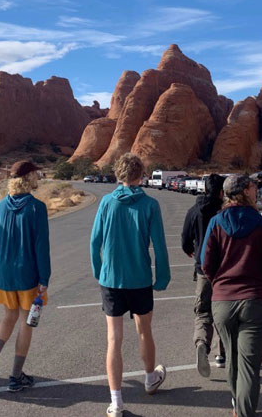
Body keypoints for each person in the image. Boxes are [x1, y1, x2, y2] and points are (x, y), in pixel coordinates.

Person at [90, 153, 170, 417]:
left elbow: (95, 242)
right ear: (140, 175)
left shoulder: (106, 203)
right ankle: (150, 380)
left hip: (111, 281)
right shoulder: (149, 204)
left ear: (118, 175)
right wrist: (163, 277)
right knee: (144, 330)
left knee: (114, 339)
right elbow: (159, 244)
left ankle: (116, 403)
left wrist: (99, 271)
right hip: (139, 280)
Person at [201, 174, 262, 417]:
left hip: (223, 303)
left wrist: (220, 284)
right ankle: (244, 411)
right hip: (255, 301)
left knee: (233, 360)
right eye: (252, 187)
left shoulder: (216, 223)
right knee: (249, 365)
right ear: (244, 192)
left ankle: (238, 409)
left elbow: (206, 264)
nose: (256, 191)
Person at [0, 160, 51, 392]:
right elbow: (41, 246)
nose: (38, 178)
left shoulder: (1, 206)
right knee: (26, 322)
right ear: (28, 178)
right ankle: (15, 376)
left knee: (8, 315)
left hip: (4, 273)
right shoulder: (36, 208)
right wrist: (44, 278)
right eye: (35, 175)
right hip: (27, 274)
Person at [181, 174, 226, 378]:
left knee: (203, 311)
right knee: (223, 310)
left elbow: (185, 239)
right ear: (221, 192)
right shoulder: (224, 211)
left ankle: (202, 343)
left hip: (203, 269)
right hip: (225, 269)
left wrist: (193, 251)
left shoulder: (194, 210)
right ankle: (222, 354)